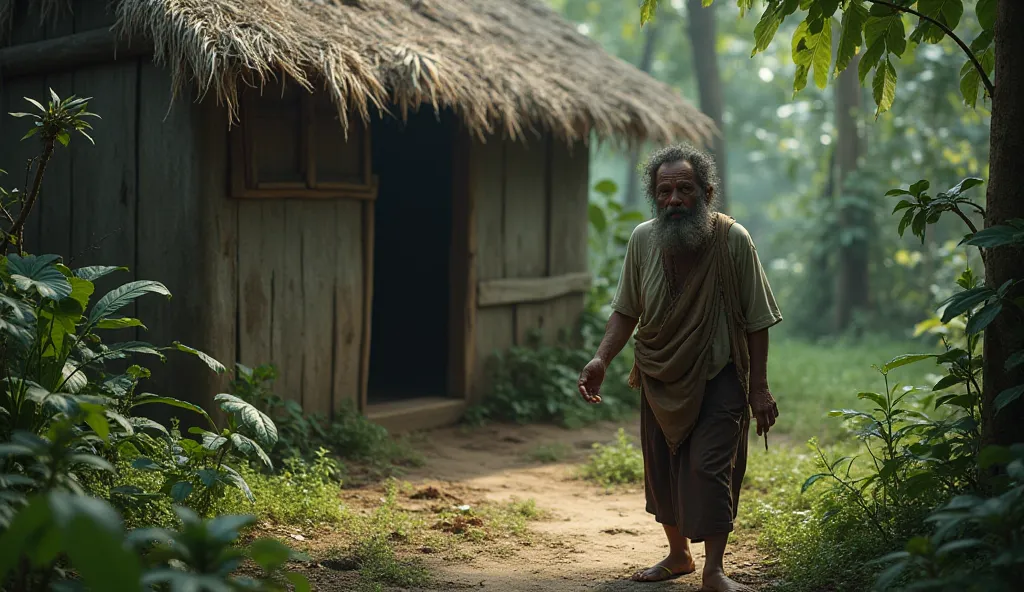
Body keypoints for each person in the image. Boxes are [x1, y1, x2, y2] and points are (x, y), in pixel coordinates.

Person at [577, 144, 783, 591]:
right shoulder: (642, 240)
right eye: (664, 191)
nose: (674, 200)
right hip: (659, 374)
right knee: (663, 468)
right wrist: (601, 358)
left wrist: (759, 389)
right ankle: (678, 555)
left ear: (706, 193)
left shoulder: (733, 240)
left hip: (720, 375)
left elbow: (758, 319)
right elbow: (626, 310)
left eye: (684, 190)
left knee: (710, 470)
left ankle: (714, 572)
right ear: (654, 195)